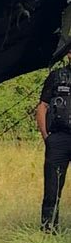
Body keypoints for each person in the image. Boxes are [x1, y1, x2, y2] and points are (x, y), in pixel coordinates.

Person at [35, 56, 71, 230]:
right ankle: (48, 230)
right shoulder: (57, 76)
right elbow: (42, 106)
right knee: (52, 189)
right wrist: (46, 137)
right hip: (59, 139)